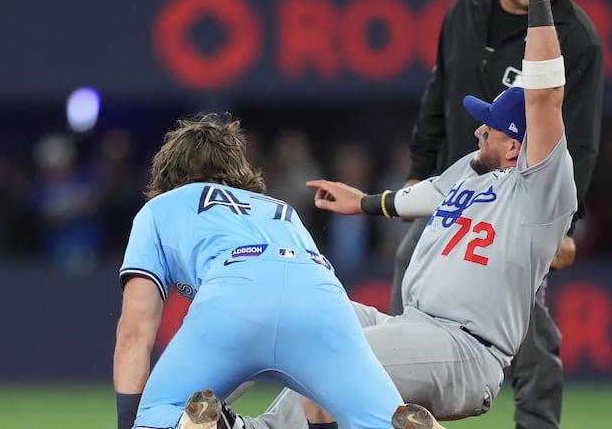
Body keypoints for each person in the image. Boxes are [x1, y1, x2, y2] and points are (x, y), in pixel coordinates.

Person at [238, 0, 577, 429]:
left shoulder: (540, 192)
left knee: (334, 364)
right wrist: (362, 203)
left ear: (516, 146)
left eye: (493, 127)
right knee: (293, 312)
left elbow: (546, 97)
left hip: (464, 347)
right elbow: (425, 196)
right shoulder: (472, 172)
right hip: (410, 326)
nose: (480, 131)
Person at [392, 0, 603, 429]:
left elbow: (577, 138)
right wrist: (418, 172)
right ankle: (397, 408)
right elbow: (436, 97)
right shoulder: (463, 12)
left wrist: (560, 221)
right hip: (451, 193)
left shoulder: (573, 38)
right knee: (406, 285)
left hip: (516, 208)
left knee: (529, 337)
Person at [112, 113, 444, 429]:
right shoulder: (279, 210)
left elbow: (134, 333)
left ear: (166, 172)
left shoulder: (159, 208)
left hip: (234, 298)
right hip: (322, 301)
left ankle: (186, 423)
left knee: (159, 414)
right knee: (381, 416)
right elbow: (319, 398)